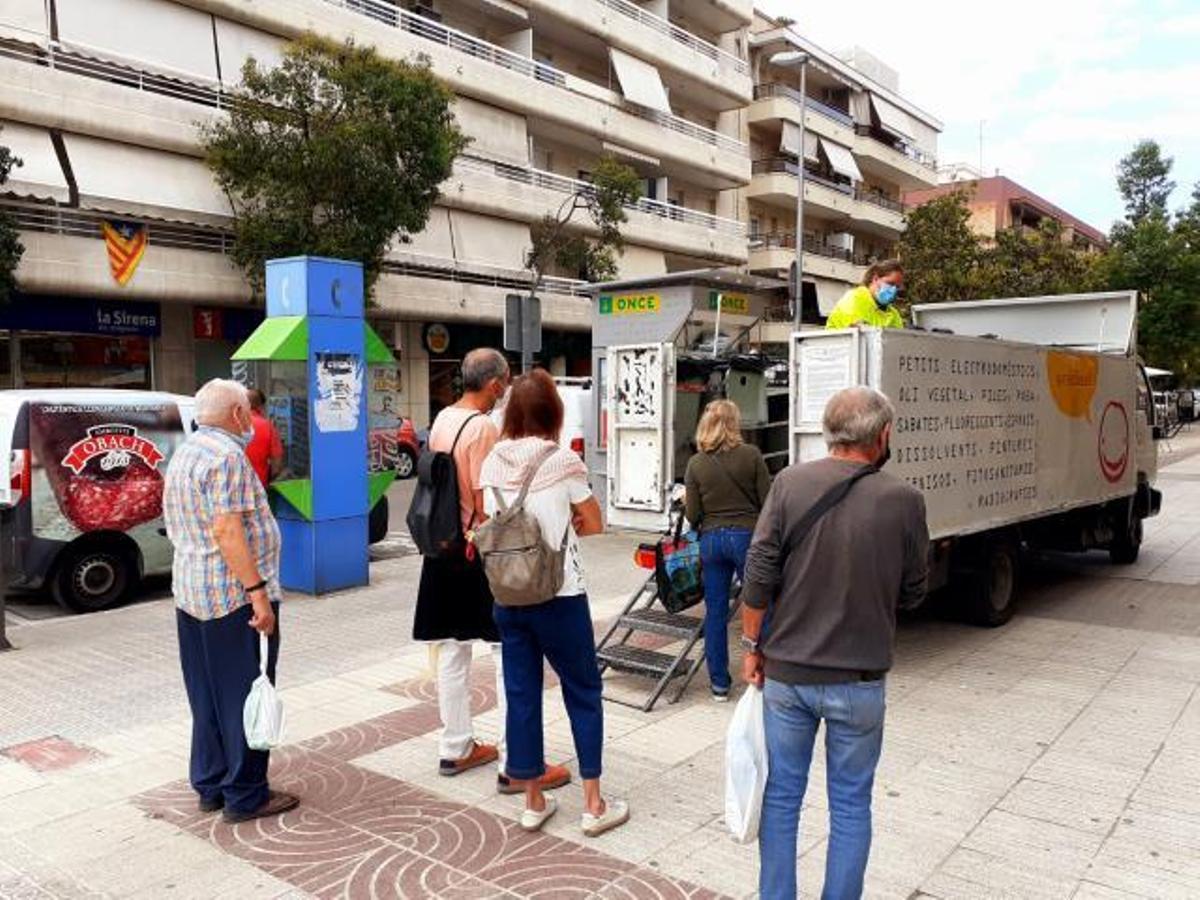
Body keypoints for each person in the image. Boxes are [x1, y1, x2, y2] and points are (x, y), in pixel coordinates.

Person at [740, 387, 928, 899]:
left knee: (781, 798)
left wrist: (750, 645)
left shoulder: (789, 484)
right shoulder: (905, 501)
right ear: (882, 435)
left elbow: (758, 575)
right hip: (860, 680)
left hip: (788, 676)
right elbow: (914, 593)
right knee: (850, 804)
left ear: (830, 432)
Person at [411, 348, 571, 795]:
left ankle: (456, 745)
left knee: (452, 652)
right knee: (509, 653)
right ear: (497, 384)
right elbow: (487, 501)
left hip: (440, 551)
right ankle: (515, 758)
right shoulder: (481, 427)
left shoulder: (443, 418)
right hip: (474, 552)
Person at [480, 369, 629, 837]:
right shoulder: (562, 461)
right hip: (560, 595)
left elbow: (494, 521)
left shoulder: (492, 463)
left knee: (521, 695)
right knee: (582, 692)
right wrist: (564, 525)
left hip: (509, 596)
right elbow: (594, 521)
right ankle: (593, 804)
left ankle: (533, 800)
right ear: (553, 412)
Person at [163, 379, 298, 824]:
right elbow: (226, 530)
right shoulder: (227, 457)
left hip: (191, 592)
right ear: (239, 415)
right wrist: (257, 592)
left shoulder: (187, 451)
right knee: (245, 693)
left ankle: (210, 782)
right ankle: (244, 793)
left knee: (206, 694)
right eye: (247, 411)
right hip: (232, 598)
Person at [684, 400, 770, 702]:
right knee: (758, 604)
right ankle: (764, 673)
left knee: (715, 613)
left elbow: (692, 514)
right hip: (747, 538)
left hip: (711, 542)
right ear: (734, 423)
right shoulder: (751, 455)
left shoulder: (696, 463)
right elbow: (767, 501)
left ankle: (719, 685)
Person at [825, 260, 905, 329]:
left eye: (897, 287)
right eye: (890, 283)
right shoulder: (854, 299)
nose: (893, 290)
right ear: (875, 279)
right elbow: (858, 333)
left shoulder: (894, 314)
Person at [245, 388, 284, 487]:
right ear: (261, 406)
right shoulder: (268, 427)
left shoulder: (229, 424)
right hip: (258, 487)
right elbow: (277, 466)